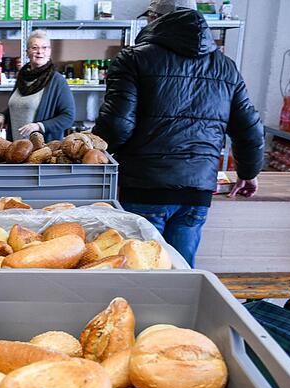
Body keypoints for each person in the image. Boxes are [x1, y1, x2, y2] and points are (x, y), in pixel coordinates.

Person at [92, 0, 264, 267]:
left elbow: (117, 126)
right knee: (181, 272)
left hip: (144, 185)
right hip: (196, 189)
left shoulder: (134, 58)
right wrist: (248, 172)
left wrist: (93, 152)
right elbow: (249, 128)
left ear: (157, 18)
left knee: (138, 271)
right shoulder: (226, 67)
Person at [0, 30, 75, 142]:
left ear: (49, 51)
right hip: (16, 148)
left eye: (44, 47)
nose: (40, 52)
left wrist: (39, 126)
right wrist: (2, 116)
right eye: (34, 48)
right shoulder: (23, 76)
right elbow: (19, 104)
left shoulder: (57, 80)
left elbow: (68, 117)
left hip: (41, 150)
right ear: (27, 52)